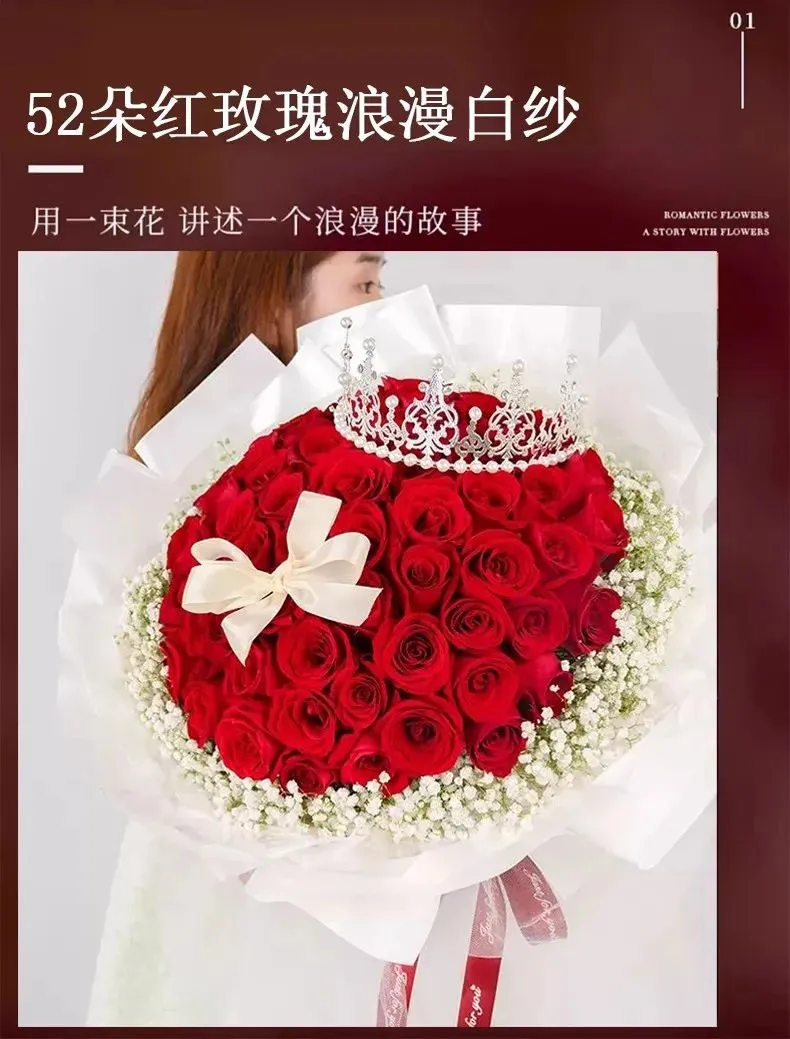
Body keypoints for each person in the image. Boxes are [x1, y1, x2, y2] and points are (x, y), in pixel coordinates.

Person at [127, 250, 386, 453]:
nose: (384, 307)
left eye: (378, 285)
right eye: (366, 284)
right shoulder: (192, 476)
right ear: (268, 307)